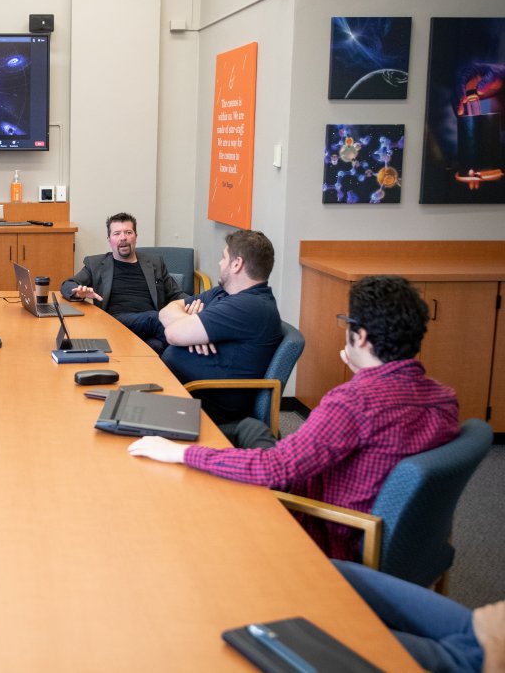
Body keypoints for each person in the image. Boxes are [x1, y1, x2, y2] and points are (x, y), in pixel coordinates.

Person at [127, 275, 460, 562]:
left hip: (323, 528)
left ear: (359, 337)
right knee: (250, 428)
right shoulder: (444, 399)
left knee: (192, 486)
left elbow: (273, 470)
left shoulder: (352, 403)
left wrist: (181, 453)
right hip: (401, 538)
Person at [157, 229, 283, 446]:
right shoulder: (223, 294)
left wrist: (188, 327)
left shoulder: (249, 306)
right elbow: (166, 311)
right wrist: (190, 323)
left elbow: (172, 333)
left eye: (224, 257)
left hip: (201, 406)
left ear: (237, 264)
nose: (219, 263)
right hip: (180, 391)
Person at [334, 560, 505, 673]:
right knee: (336, 572)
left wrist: (495, 653)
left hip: (483, 658)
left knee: (336, 638)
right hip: (482, 635)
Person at [59, 212, 188, 352]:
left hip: (150, 326)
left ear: (136, 237)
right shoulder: (96, 264)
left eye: (128, 232)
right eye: (117, 233)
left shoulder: (155, 263)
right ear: (109, 240)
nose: (123, 238)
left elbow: (176, 294)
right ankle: (196, 343)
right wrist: (78, 293)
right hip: (116, 322)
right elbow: (67, 284)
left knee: (156, 346)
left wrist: (199, 304)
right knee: (156, 318)